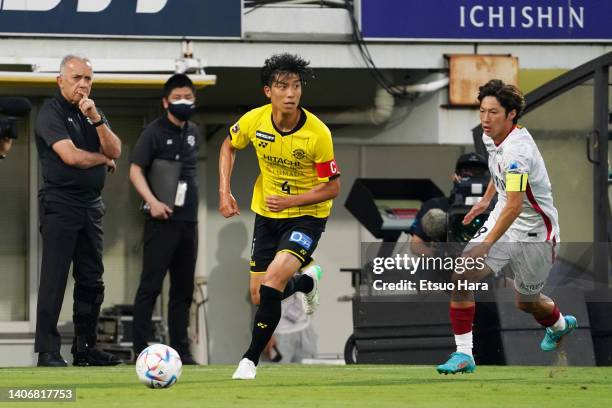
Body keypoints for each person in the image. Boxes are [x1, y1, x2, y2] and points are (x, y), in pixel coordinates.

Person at [436, 79, 576, 375]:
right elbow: (497, 174)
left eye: (493, 113)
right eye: (482, 111)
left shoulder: (518, 152)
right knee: (462, 273)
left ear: (511, 114)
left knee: (526, 303)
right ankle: (464, 355)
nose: (485, 119)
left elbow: (515, 204)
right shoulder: (493, 137)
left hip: (536, 233)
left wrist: (485, 246)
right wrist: (486, 201)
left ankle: (560, 325)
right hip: (503, 217)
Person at [218, 53, 340, 379]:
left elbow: (332, 188)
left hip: (307, 217)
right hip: (267, 215)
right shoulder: (255, 121)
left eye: (296, 86)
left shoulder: (318, 134)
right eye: (282, 86)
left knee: (273, 281)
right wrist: (224, 191)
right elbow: (228, 146)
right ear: (267, 91)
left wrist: (291, 202)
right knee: (260, 294)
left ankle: (249, 360)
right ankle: (304, 281)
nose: (290, 93)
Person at [34, 55, 122, 367]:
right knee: (55, 278)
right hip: (60, 202)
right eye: (76, 78)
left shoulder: (92, 112)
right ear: (60, 81)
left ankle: (85, 349)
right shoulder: (50, 113)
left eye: (88, 78)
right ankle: (47, 351)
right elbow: (70, 157)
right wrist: (102, 160)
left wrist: (96, 118)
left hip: (91, 205)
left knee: (92, 279)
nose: (83, 84)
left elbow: (115, 149)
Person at [130, 74, 201, 365]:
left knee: (183, 289)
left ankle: (182, 351)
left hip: (189, 221)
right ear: (165, 101)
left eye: (188, 97)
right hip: (161, 221)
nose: (183, 102)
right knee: (151, 286)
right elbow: (135, 170)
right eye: (177, 98)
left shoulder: (194, 130)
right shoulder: (153, 132)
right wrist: (153, 202)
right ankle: (140, 349)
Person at [408, 152, 489, 257]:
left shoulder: (498, 207)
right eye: (466, 173)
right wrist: (437, 256)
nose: (472, 177)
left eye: (478, 173)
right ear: (454, 176)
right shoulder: (435, 205)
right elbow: (416, 245)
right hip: (443, 268)